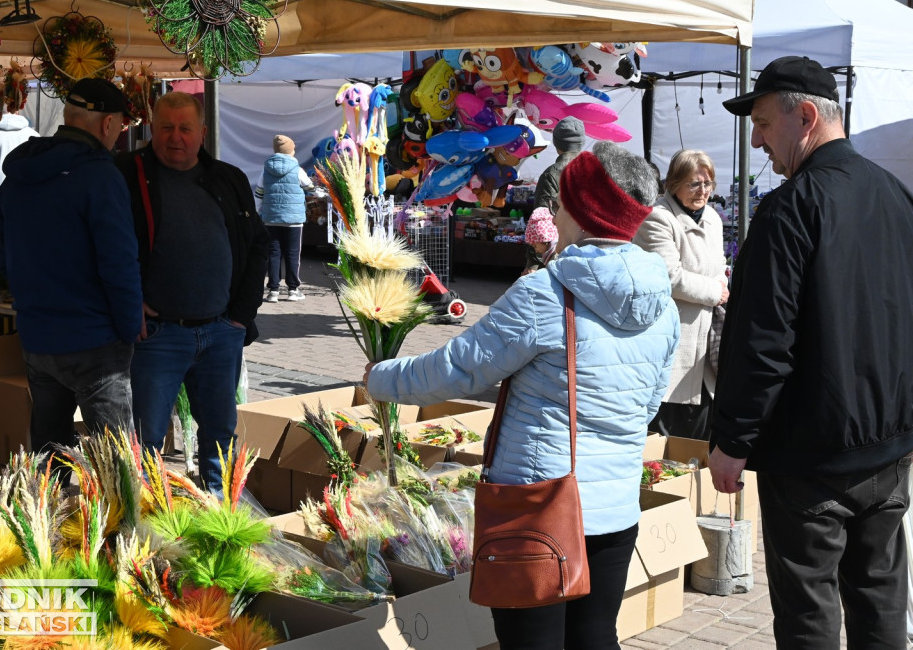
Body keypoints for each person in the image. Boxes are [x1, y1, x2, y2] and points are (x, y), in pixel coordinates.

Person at [366, 141, 679, 650]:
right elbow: (648, 407)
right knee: (596, 638)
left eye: (562, 200)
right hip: (616, 504)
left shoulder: (546, 292)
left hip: (540, 504)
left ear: (582, 209)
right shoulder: (660, 304)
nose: (553, 208)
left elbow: (457, 371)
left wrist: (380, 377)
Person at [711, 55, 913, 649]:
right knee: (880, 600)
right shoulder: (896, 197)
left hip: (811, 458)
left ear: (805, 117)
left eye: (766, 127)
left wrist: (733, 441)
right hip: (886, 449)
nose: (759, 143)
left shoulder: (791, 209)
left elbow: (762, 341)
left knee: (809, 616)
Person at [115, 91, 268, 494]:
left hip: (220, 332)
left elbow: (258, 244)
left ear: (202, 132)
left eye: (185, 128)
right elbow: (103, 247)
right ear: (151, 128)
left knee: (220, 435)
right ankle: (149, 525)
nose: (175, 137)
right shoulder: (127, 175)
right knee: (144, 441)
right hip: (158, 336)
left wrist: (241, 315)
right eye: (166, 127)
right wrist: (130, 303)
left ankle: (221, 513)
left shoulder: (227, 178)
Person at [0, 78, 142, 469]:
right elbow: (119, 263)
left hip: (38, 337)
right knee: (118, 467)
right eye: (121, 127)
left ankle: (47, 528)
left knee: (49, 457)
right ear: (107, 123)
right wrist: (130, 327)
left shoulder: (20, 176)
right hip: (94, 341)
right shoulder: (98, 176)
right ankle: (122, 531)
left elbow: (6, 259)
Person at [634, 149, 728, 439]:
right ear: (674, 183)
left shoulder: (713, 218)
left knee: (699, 436)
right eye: (694, 184)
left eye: (707, 183)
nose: (703, 191)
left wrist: (721, 285)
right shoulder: (657, 218)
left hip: (707, 341)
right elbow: (670, 277)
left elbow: (720, 266)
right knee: (666, 436)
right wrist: (716, 290)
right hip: (673, 342)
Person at [254, 134, 314, 302]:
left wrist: (259, 212)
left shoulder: (265, 169)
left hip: (271, 218)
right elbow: (309, 186)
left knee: (273, 254)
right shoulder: (297, 169)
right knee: (293, 253)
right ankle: (293, 290)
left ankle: (273, 290)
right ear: (290, 151)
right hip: (293, 220)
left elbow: (259, 193)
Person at [524, 116, 584, 274]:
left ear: (557, 144)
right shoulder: (596, 171)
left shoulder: (551, 174)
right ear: (582, 143)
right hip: (590, 249)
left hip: (559, 253)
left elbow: (541, 220)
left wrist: (533, 263)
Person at [520, 206, 558, 276]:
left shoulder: (555, 258)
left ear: (544, 240)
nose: (535, 250)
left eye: (535, 246)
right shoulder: (549, 254)